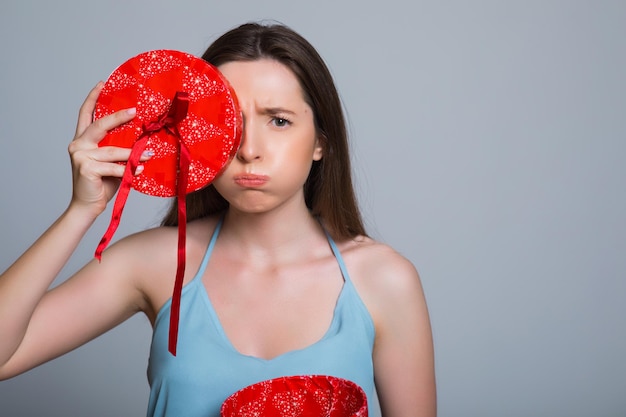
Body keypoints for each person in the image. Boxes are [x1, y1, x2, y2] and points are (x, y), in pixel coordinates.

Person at [0, 22, 436, 417]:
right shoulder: (155, 263)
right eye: (224, 123)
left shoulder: (383, 280)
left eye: (279, 121)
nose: (249, 149)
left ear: (321, 142)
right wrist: (83, 210)